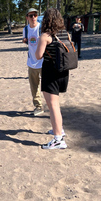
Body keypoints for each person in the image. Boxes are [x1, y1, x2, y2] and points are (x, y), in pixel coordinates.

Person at [35, 8, 70, 150]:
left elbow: (38, 55)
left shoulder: (45, 36)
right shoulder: (63, 34)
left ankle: (58, 139)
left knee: (53, 105)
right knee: (53, 104)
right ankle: (58, 129)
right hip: (63, 72)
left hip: (51, 73)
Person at [22, 8, 44, 116]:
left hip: (43, 62)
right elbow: (27, 42)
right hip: (31, 62)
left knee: (48, 86)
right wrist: (25, 41)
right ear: (27, 18)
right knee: (34, 87)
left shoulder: (42, 28)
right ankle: (38, 106)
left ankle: (52, 106)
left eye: (35, 15)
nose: (33, 18)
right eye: (31, 16)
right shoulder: (25, 29)